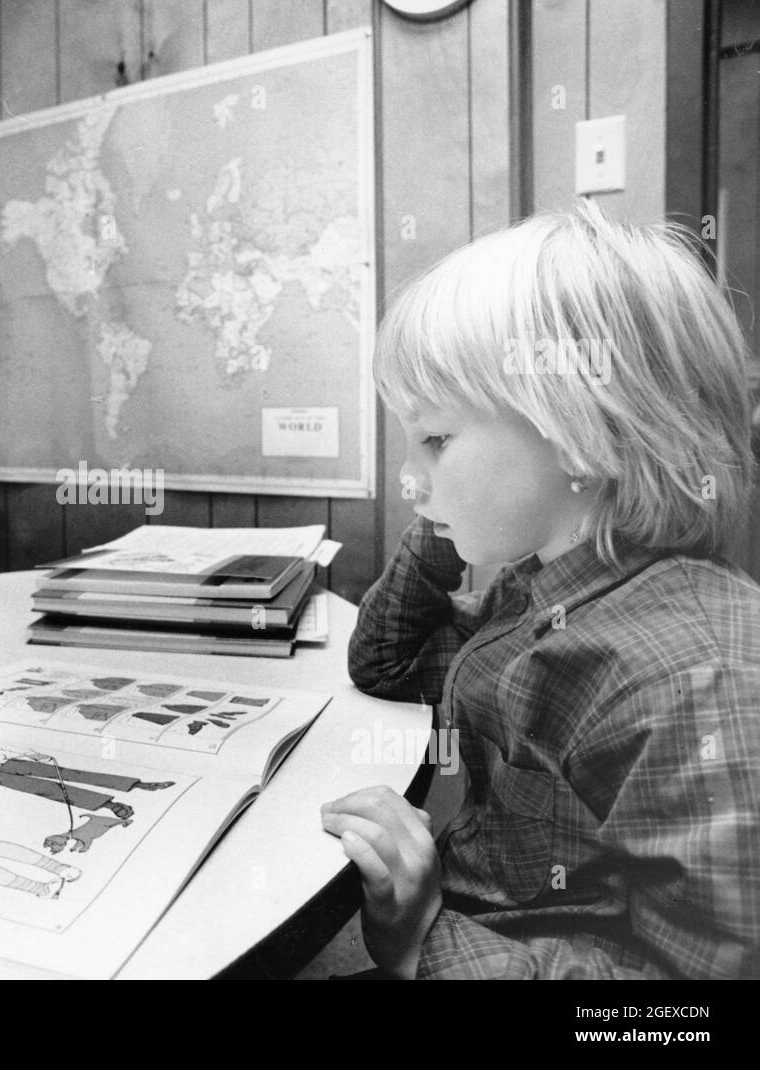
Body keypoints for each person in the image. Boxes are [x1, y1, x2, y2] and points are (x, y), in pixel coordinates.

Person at [324, 201, 760, 978]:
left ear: (581, 429)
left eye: (435, 438)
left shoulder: (695, 678)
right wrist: (440, 513)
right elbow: (385, 665)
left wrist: (423, 941)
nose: (406, 477)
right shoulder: (543, 589)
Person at [0, 735, 174, 821]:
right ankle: (109, 805)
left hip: (9, 760)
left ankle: (136, 784)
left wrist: (30, 753)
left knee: (70, 773)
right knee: (48, 791)